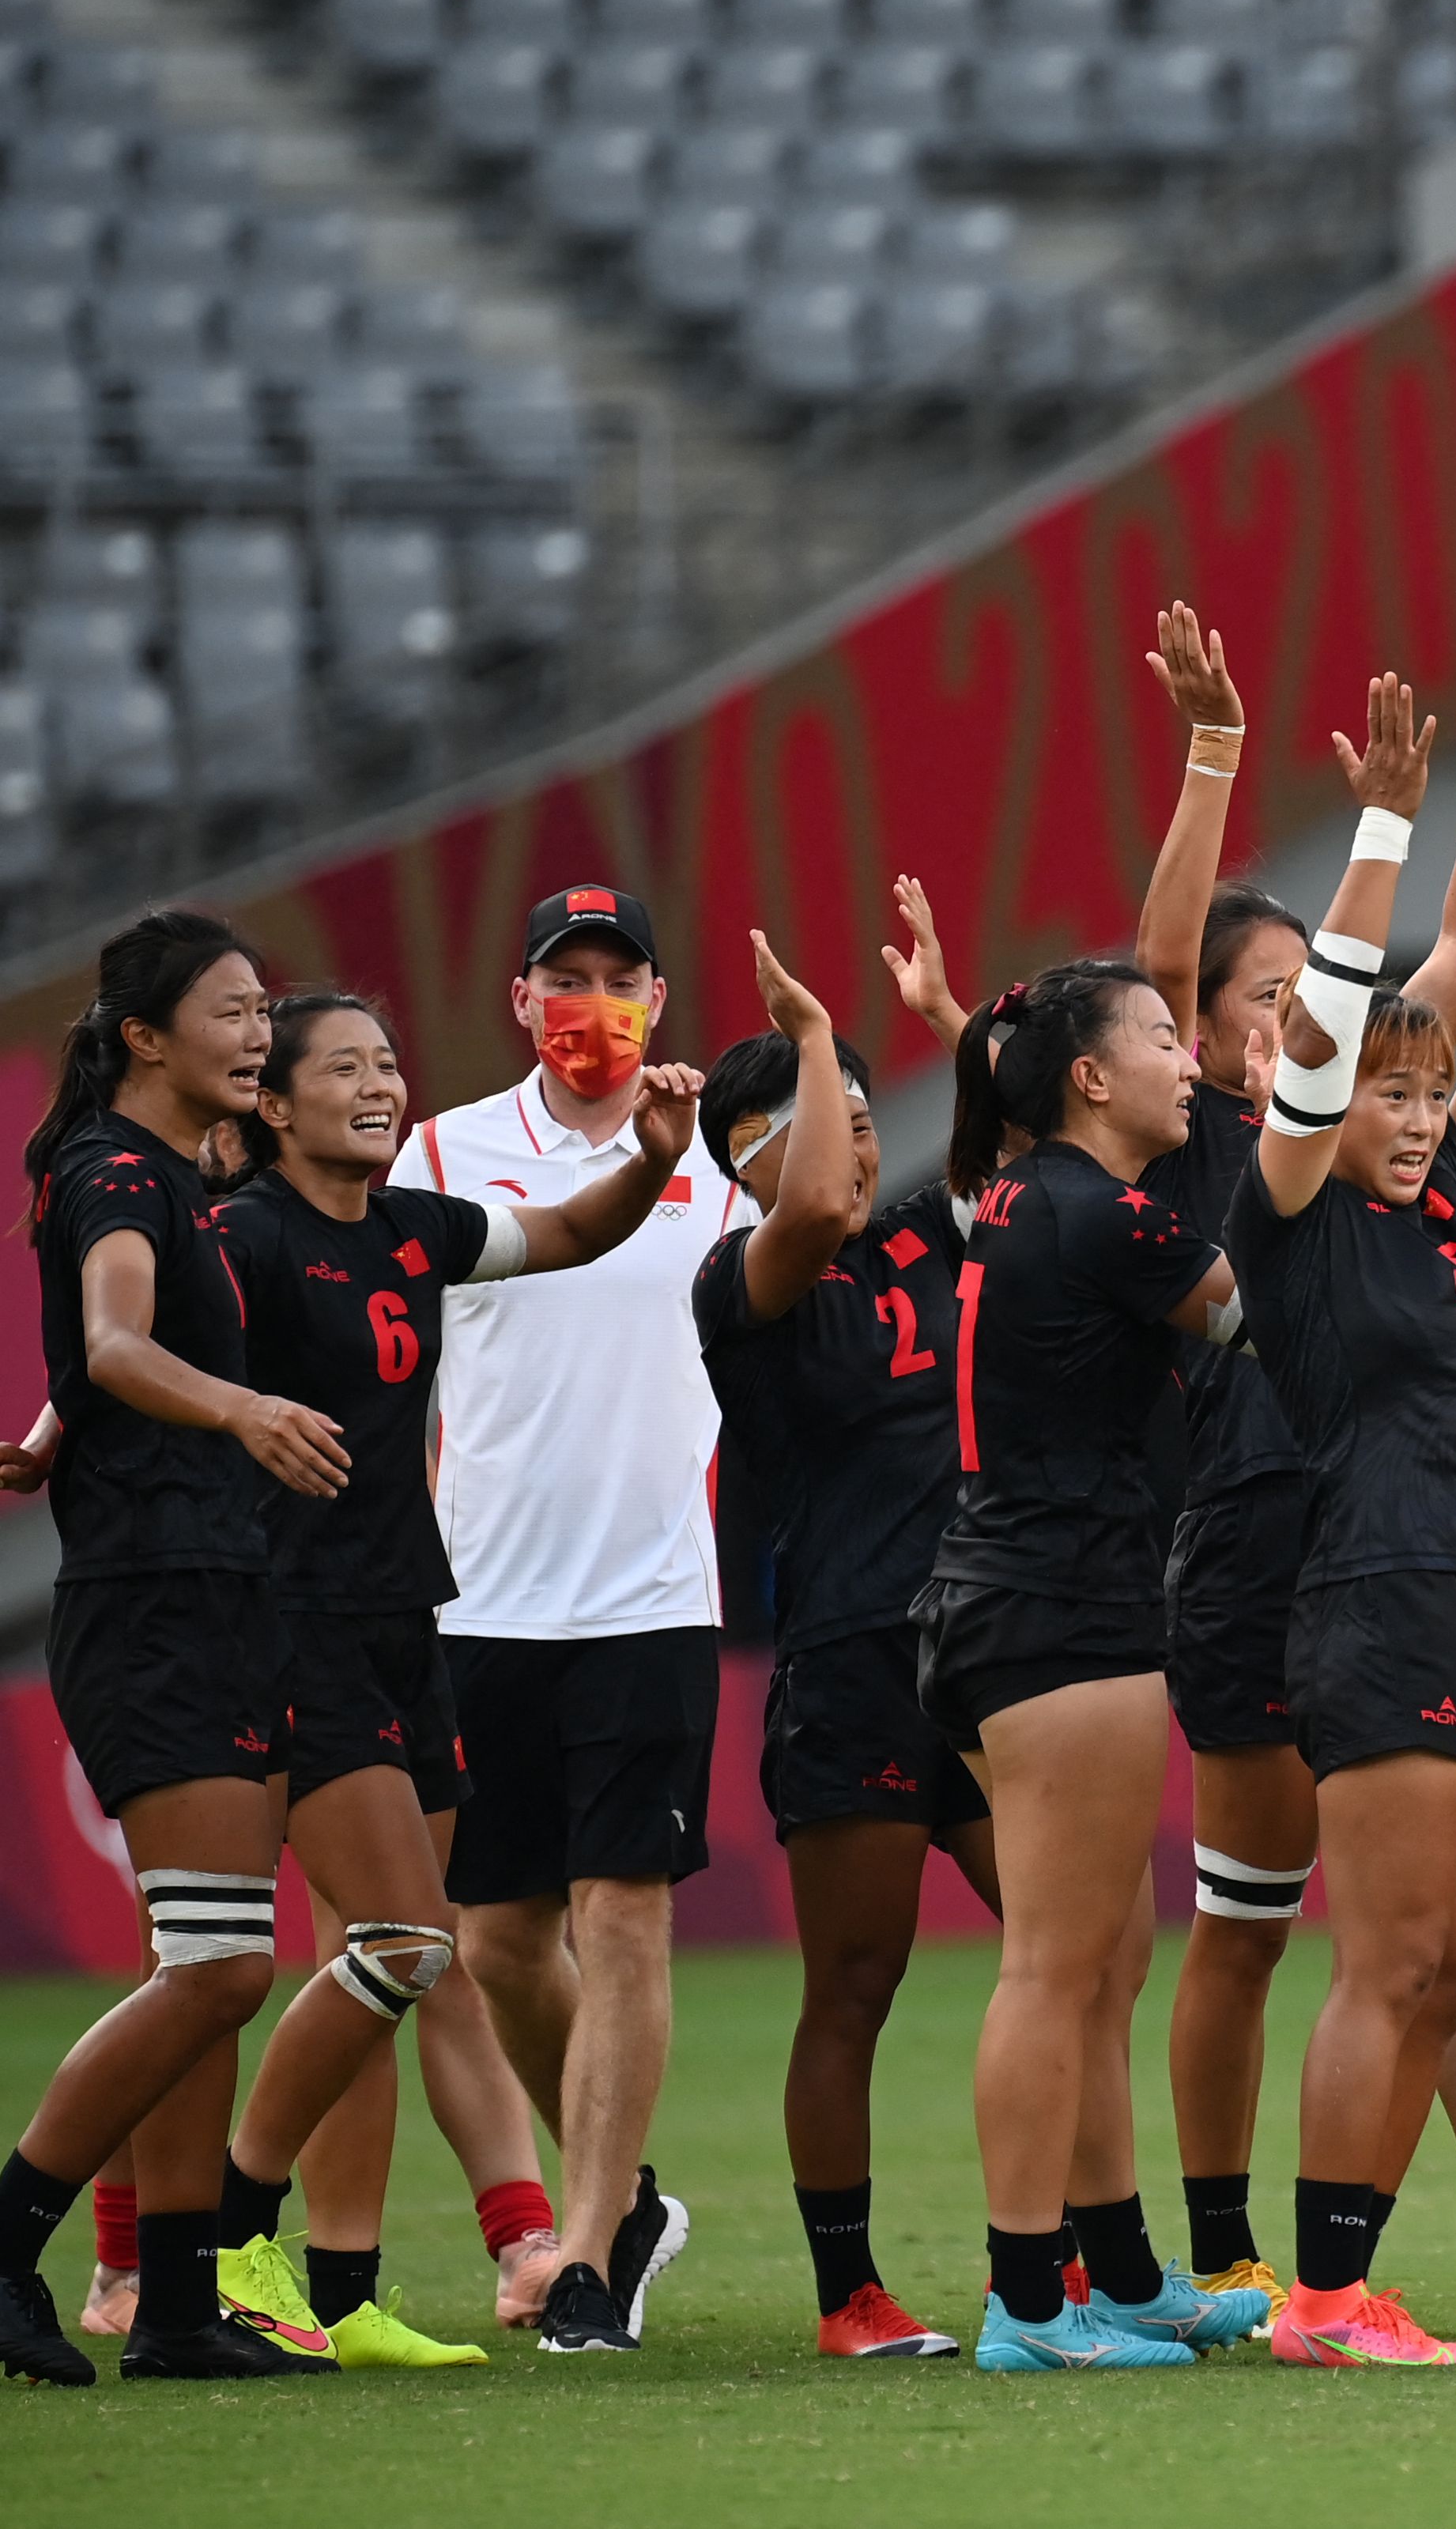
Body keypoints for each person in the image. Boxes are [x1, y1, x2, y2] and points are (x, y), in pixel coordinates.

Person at [1125, 595, 1456, 2331]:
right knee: (1328, 1936)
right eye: (1379, 1088)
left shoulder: (1446, 1175)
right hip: (1341, 1566)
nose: (1409, 1110)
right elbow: (1304, 1029)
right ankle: (1289, 2272)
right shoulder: (1266, 1185)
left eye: (1428, 1094)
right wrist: (1359, 812)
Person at [191, 991, 699, 2368]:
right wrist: (62, 1428)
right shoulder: (239, 1239)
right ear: (272, 1106)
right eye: (340, 1067)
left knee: (413, 1961)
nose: (376, 1084)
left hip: (412, 1625)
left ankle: (345, 2292)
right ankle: (226, 2240)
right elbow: (132, 1352)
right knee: (403, 1947)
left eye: (387, 1062)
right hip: (295, 1627)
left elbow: (576, 1231)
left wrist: (653, 1156)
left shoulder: (415, 1228)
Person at [389, 881, 745, 2351]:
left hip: (654, 1596)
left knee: (626, 1916)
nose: (590, 1002)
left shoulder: (724, 1157)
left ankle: (590, 2254)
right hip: (479, 1600)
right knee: (496, 1943)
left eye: (620, 975)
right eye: (564, 977)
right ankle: (630, 2200)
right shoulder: (435, 1149)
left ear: (658, 997)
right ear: (521, 1000)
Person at [0, 915, 351, 2383]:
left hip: (212, 1589)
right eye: (230, 1009)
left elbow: (88, 1373)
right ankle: (15, 2232)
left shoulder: (181, 1178)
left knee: (202, 1957)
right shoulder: (118, 1175)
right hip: (158, 1601)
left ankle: (183, 2312)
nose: (257, 1030)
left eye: (265, 1007)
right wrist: (243, 1409)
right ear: (146, 1037)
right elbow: (119, 1342)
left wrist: (38, 1444)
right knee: (216, 1970)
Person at [918, 949, 1270, 2374]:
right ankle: (1025, 2301)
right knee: (1056, 1967)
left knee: (1105, 1957)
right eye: (1163, 1039)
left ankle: (1120, 2274)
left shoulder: (1026, 1192)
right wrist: (1303, 1128)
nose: (1189, 1060)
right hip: (1059, 1614)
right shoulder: (1102, 1214)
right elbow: (1267, 1313)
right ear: (1089, 1075)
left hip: (1007, 1600)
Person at [694, 928, 1003, 2361]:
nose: (856, 1150)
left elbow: (1032, 1117)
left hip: (993, 1653)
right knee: (858, 1986)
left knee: (1090, 1948)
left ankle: (1072, 2269)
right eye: (828, 1125)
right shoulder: (747, 1282)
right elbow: (811, 1196)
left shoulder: (931, 1234)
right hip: (854, 1664)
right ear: (744, 1159)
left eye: (875, 1122)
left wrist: (949, 1011)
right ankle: (848, 2295)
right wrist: (818, 1042)